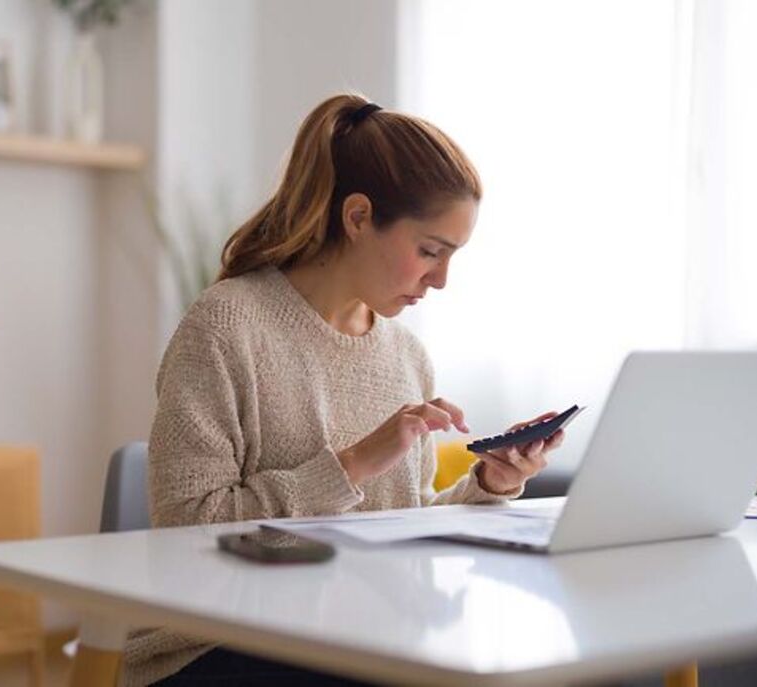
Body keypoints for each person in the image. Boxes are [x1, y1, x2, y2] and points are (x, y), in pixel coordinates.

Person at [122, 93, 565, 687]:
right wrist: (352, 464)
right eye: (430, 251)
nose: (441, 279)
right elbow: (187, 534)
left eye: (451, 256)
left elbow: (396, 534)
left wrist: (489, 485)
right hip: (220, 642)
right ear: (357, 218)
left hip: (357, 635)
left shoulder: (406, 355)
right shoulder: (227, 327)